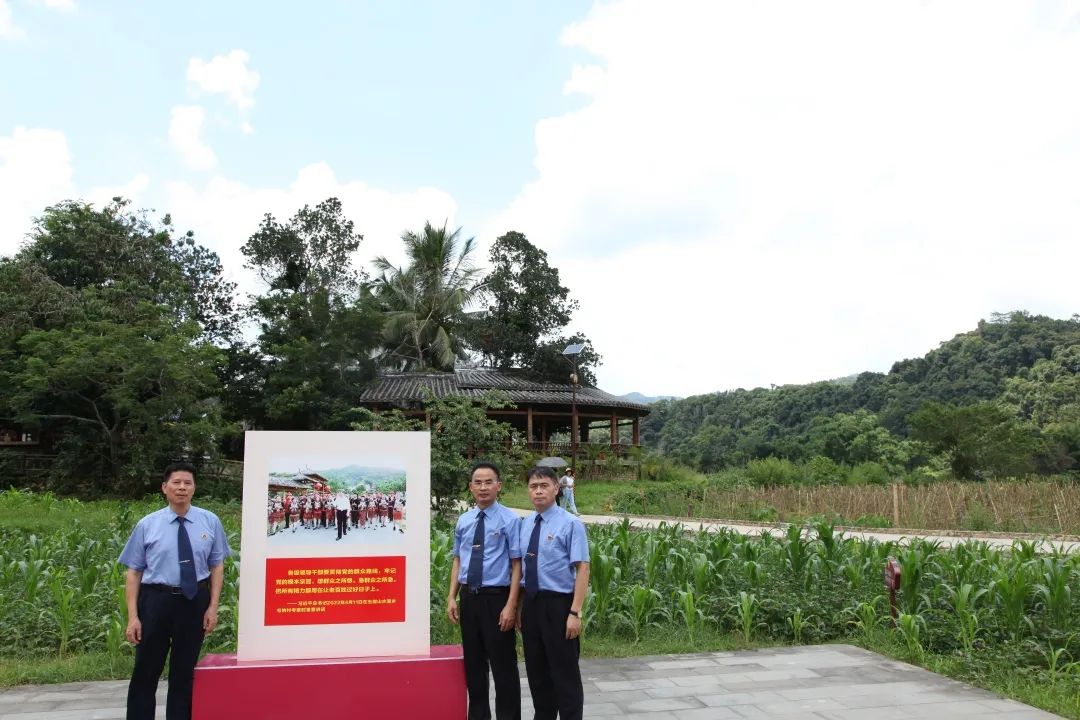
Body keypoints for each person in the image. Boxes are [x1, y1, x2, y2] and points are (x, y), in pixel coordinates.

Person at [119, 461, 231, 720]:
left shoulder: (210, 521)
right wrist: (133, 617)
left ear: (194, 488)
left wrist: (212, 607)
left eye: (187, 483)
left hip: (194, 601)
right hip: (155, 601)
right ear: (164, 488)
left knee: (184, 671)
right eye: (176, 483)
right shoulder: (148, 524)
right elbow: (134, 572)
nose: (182, 488)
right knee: (146, 670)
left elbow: (217, 566)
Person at [447, 461, 522, 720]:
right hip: (469, 597)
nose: (483, 487)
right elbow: (458, 559)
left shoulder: (510, 520)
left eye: (488, 482)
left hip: (496, 598)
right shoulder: (464, 520)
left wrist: (511, 606)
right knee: (474, 666)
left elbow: (516, 565)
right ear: (470, 487)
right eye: (477, 482)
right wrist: (452, 597)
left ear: (498, 486)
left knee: (503, 668)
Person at [516, 466, 589, 720]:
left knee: (565, 673)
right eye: (533, 486)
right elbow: (524, 568)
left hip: (559, 605)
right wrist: (519, 608)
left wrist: (575, 612)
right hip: (532, 605)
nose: (538, 491)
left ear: (557, 489)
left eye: (544, 486)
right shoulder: (525, 524)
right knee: (537, 673)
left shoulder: (571, 524)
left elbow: (582, 568)